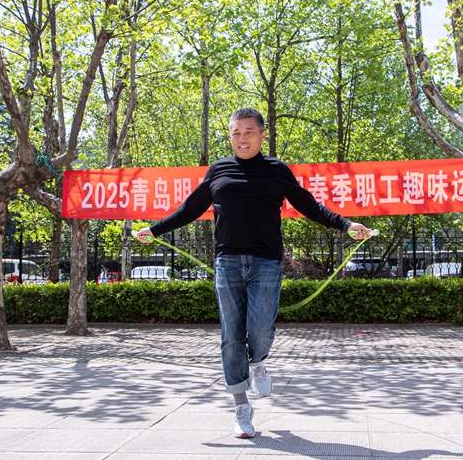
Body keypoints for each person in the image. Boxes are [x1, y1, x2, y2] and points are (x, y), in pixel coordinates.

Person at [136, 108, 372, 438]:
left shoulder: (276, 170)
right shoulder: (219, 170)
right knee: (232, 335)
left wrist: (345, 225)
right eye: (236, 132)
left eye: (249, 131)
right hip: (227, 263)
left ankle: (258, 361)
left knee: (260, 328)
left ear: (262, 135)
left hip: (266, 263)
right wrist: (155, 229)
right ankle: (241, 407)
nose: (242, 138)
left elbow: (308, 204)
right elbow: (190, 208)